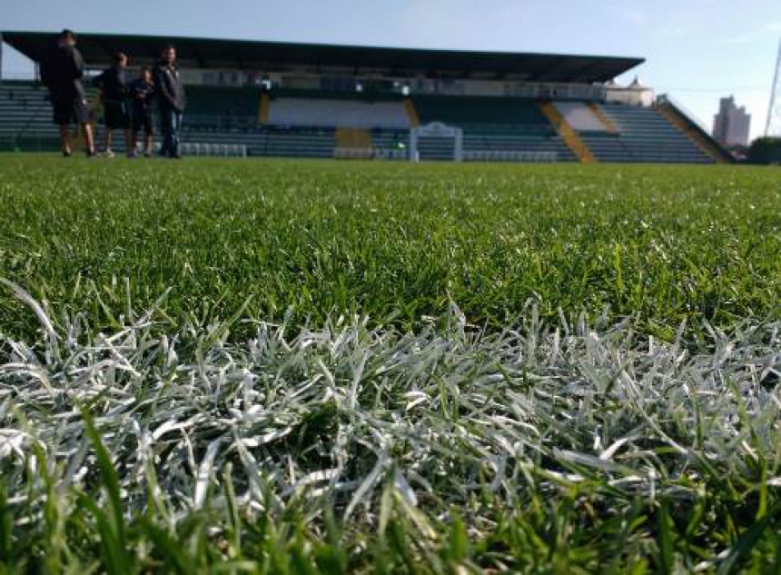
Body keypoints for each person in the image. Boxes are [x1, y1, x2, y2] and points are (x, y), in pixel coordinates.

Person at [40, 29, 96, 157]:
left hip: (57, 91)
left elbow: (44, 74)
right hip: (74, 90)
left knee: (63, 122)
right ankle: (91, 149)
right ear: (70, 40)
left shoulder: (49, 53)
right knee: (84, 121)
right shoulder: (74, 51)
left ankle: (66, 149)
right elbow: (79, 71)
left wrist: (53, 85)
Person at [93, 52, 131, 157]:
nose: (126, 63)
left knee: (108, 127)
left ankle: (107, 149)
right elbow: (121, 86)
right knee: (126, 127)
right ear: (120, 62)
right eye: (125, 61)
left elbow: (95, 81)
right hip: (119, 103)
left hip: (109, 103)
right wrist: (126, 90)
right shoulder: (118, 72)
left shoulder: (107, 72)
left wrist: (103, 88)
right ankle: (129, 150)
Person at [154, 45, 186, 159]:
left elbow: (180, 87)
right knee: (171, 129)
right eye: (167, 53)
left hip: (179, 104)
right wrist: (171, 101)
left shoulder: (175, 69)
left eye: (172, 53)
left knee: (176, 129)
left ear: (174, 55)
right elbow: (162, 88)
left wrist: (183, 101)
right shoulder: (159, 68)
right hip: (168, 105)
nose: (169, 56)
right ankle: (174, 152)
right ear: (163, 54)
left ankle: (165, 150)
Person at [129, 67, 155, 158]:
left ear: (149, 75)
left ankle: (147, 150)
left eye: (146, 73)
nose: (144, 75)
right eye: (142, 73)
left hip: (148, 110)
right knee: (135, 130)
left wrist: (146, 96)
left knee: (148, 131)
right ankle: (133, 149)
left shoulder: (153, 85)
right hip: (137, 109)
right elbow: (130, 94)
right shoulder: (134, 83)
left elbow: (154, 95)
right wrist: (137, 95)